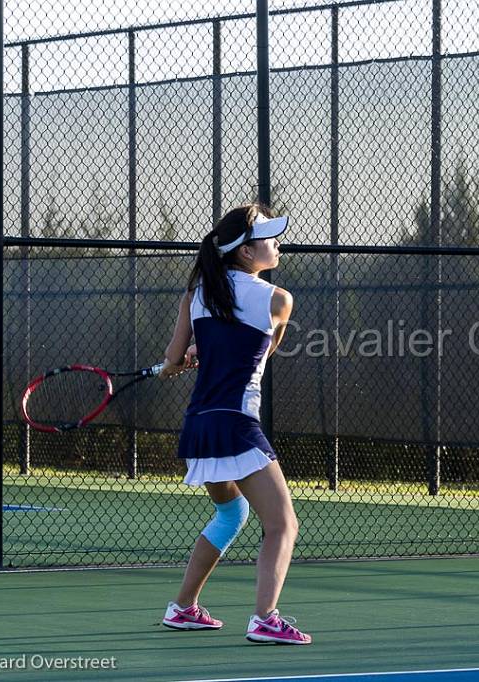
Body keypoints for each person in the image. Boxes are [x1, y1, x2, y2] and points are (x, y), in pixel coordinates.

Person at [158, 203, 311, 645]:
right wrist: (208, 354)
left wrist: (185, 359)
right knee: (283, 524)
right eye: (268, 237)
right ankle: (265, 618)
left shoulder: (198, 294)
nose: (277, 243)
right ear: (245, 253)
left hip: (200, 425)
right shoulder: (279, 300)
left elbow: (171, 362)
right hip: (237, 423)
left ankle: (183, 608)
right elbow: (263, 353)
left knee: (232, 512)